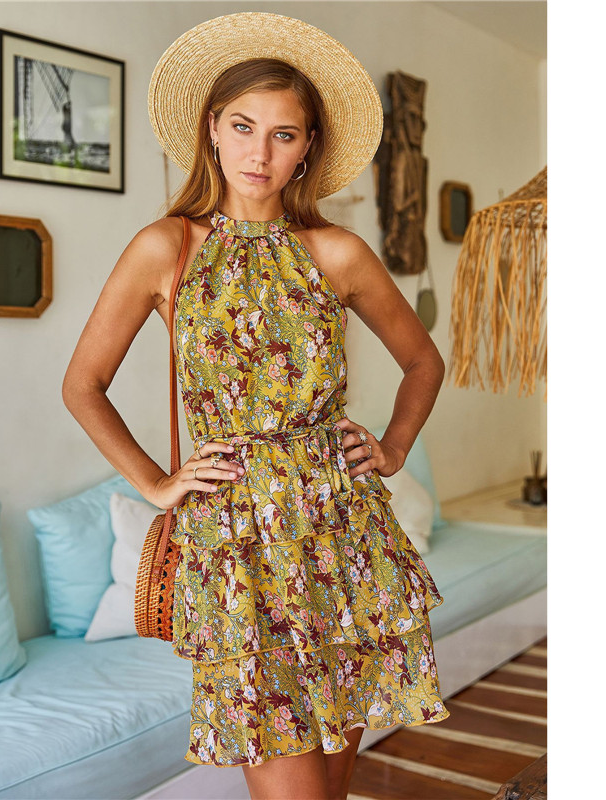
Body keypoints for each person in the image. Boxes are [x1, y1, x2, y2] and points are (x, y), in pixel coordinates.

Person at [62, 12, 450, 800]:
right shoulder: (166, 247)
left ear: (308, 147)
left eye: (283, 134)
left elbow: (423, 360)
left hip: (344, 535)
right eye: (243, 127)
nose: (259, 153)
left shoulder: (337, 252)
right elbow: (83, 385)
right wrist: (156, 483)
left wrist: (394, 446)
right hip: (237, 548)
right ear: (212, 129)